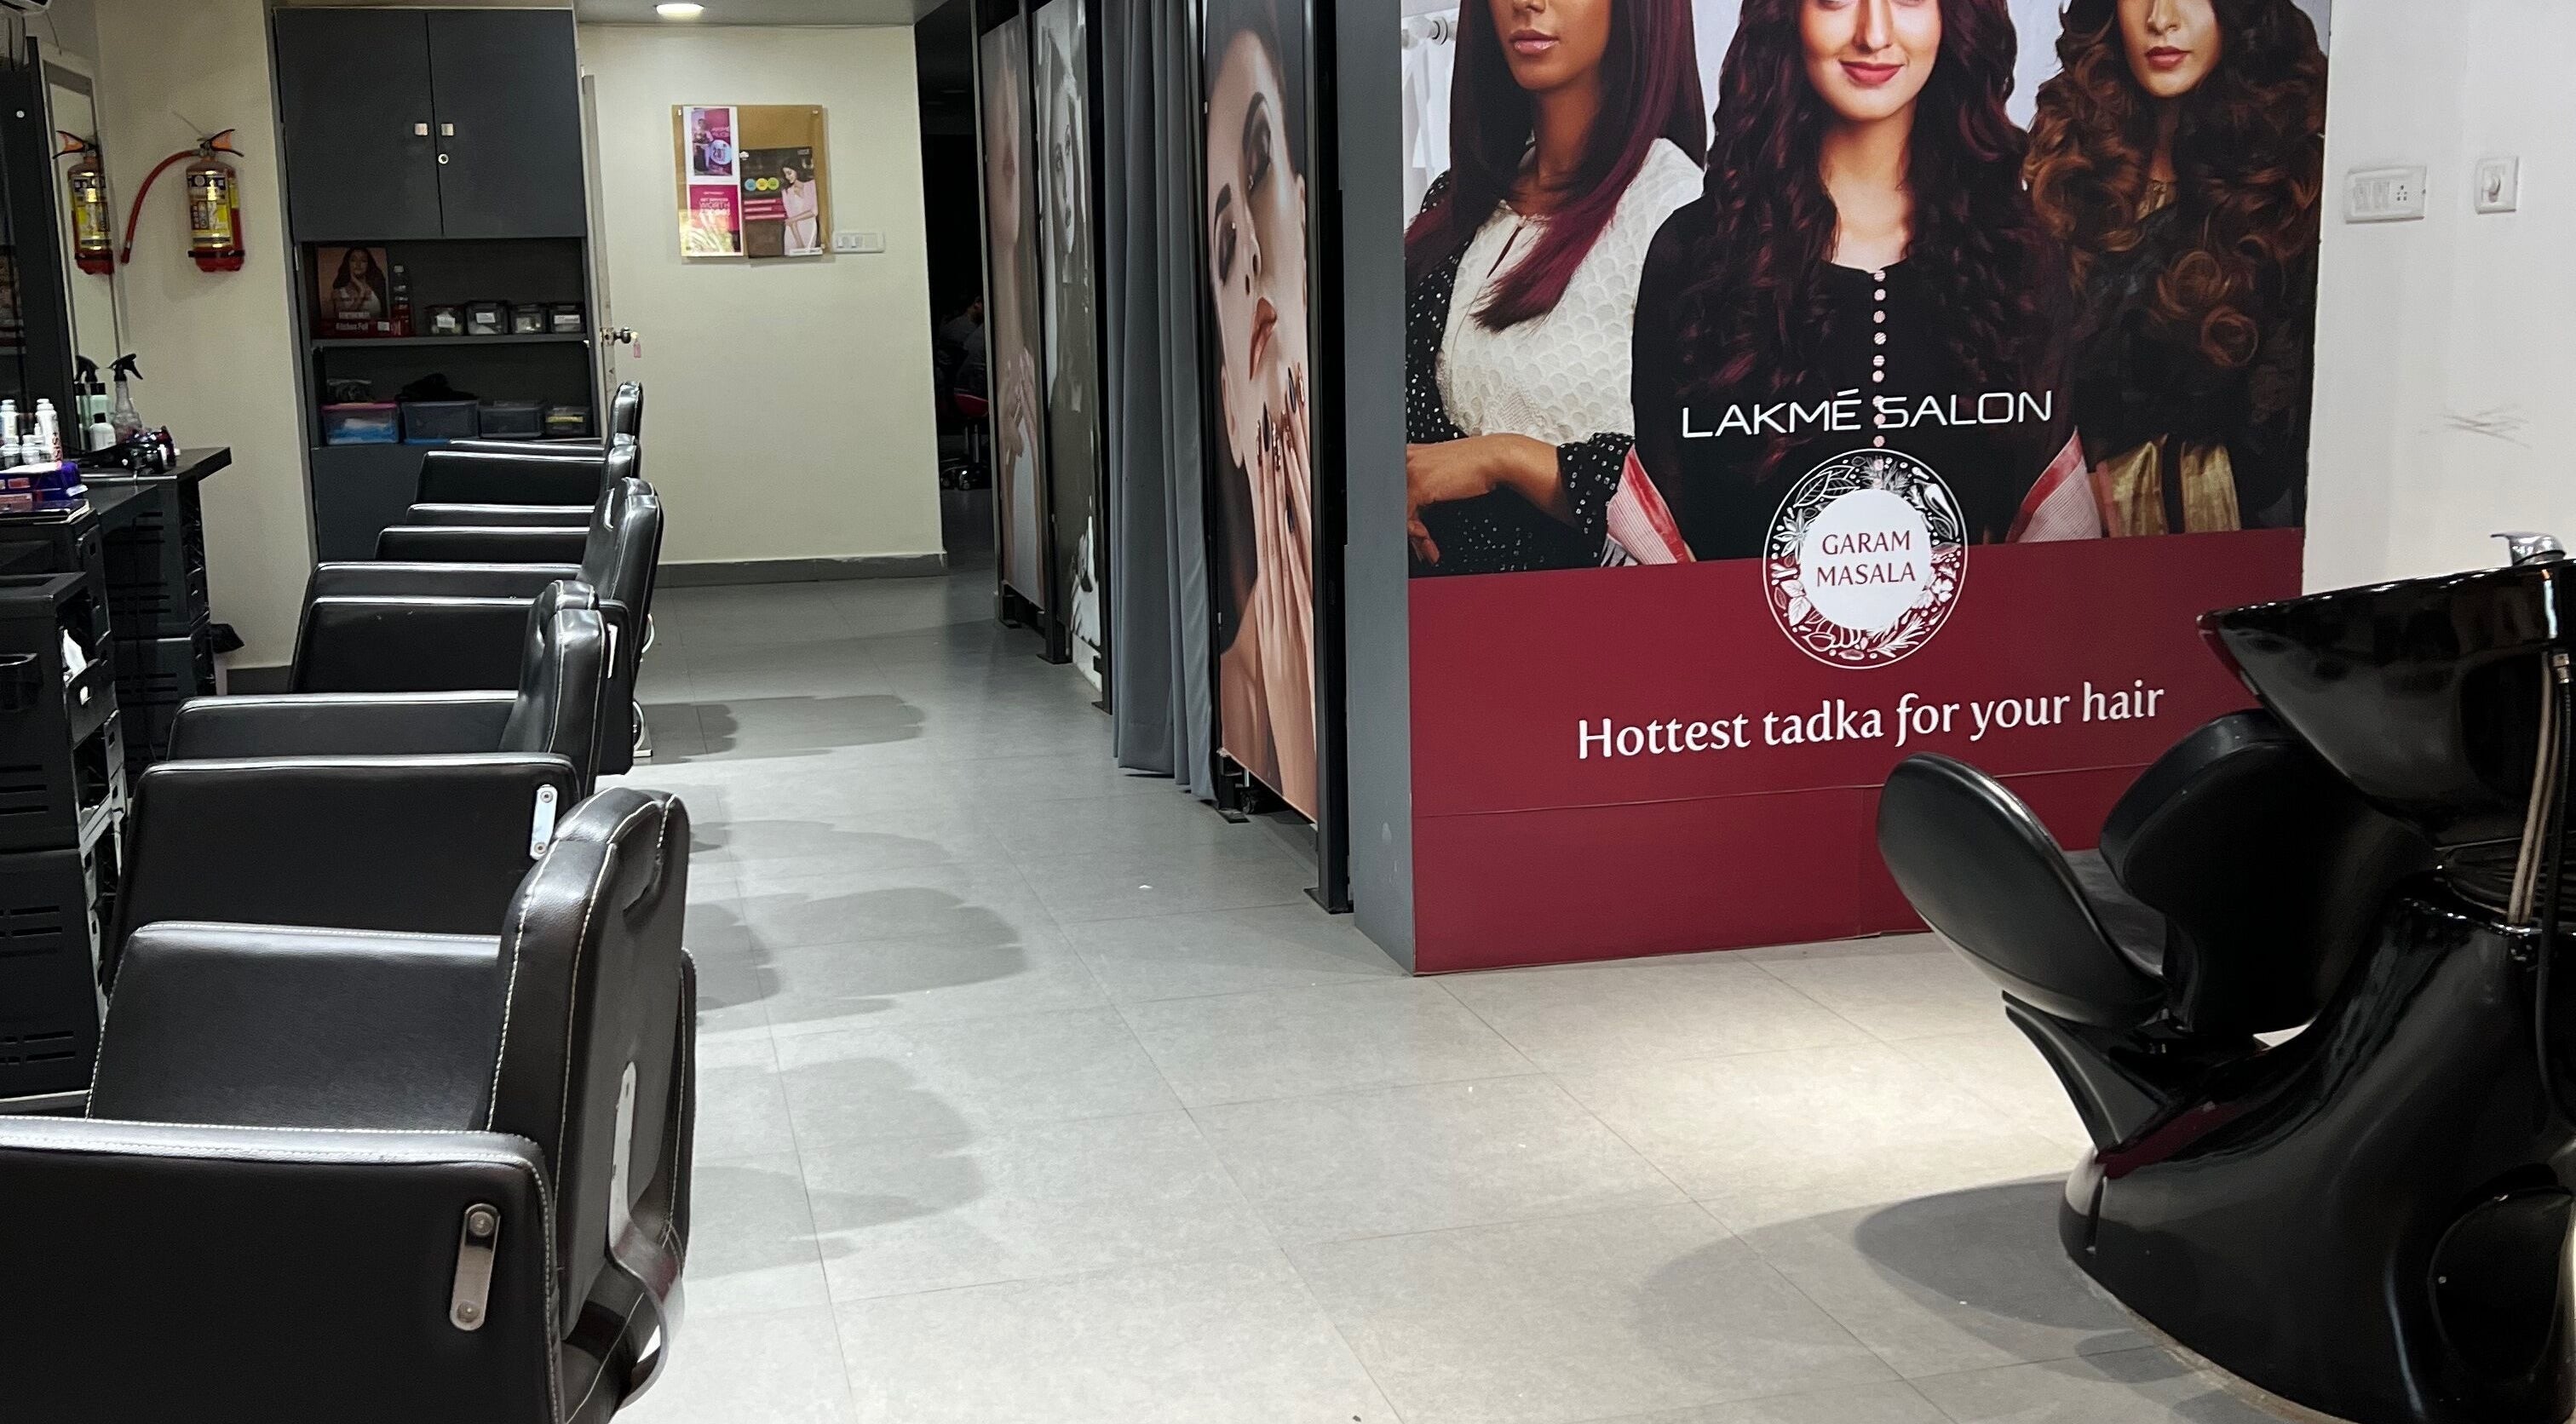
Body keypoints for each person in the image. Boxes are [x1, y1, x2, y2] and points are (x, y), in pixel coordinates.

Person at [1630, 0, 2096, 561]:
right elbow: (1660, 546)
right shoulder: (1692, 257)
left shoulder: (2019, 259)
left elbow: (2054, 550)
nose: (1874, 34)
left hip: (1980, 645)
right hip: (1737, 645)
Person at [1402, 0, 1707, 577]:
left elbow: (1699, 501)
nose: (1529, 3)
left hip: (1600, 633)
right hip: (1442, 627)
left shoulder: (1681, 216)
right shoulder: (1458, 204)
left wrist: (1503, 460)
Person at [2027, 0, 2326, 534]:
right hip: (2053, 552)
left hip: (2225, 558)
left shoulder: (2292, 189)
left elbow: (2282, 449)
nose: (2160, 18)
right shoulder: (2069, 173)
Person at [1204, 16, 1317, 814]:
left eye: (1261, 165)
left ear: (1307, 213)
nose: (1246, 245)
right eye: (1220, 248)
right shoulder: (1241, 685)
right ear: (1228, 402)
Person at [781, 164, 821, 254]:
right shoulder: (786, 192)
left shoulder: (812, 185)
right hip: (793, 231)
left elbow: (815, 211)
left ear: (797, 170)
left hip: (809, 227)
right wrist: (799, 243)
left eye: (789, 173)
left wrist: (792, 219)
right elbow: (791, 222)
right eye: (785, 175)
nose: (787, 177)